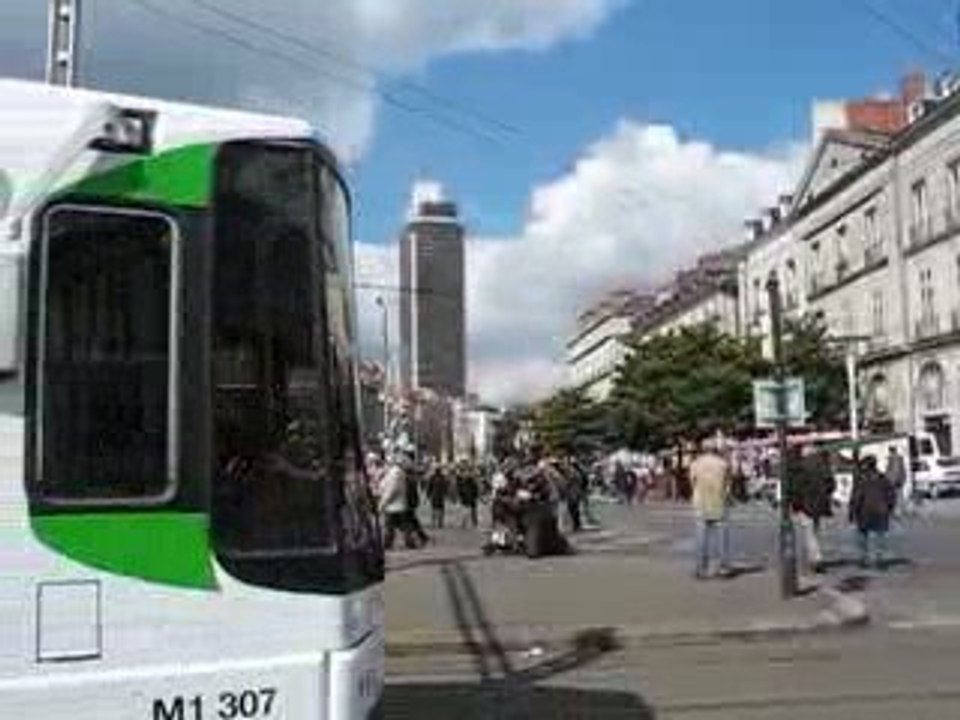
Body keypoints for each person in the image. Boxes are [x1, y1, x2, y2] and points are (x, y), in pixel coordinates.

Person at [689, 440, 732, 579]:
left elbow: (692, 482)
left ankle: (701, 569)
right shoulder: (723, 464)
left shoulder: (695, 463)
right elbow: (728, 483)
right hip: (718, 501)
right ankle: (723, 568)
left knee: (701, 538)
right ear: (715, 449)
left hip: (700, 502)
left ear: (703, 449)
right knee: (721, 538)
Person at [789, 445, 834, 575]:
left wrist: (794, 503)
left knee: (809, 532)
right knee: (814, 530)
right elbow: (831, 484)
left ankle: (816, 559)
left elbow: (795, 487)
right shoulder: (823, 465)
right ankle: (813, 557)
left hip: (805, 503)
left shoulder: (801, 466)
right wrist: (825, 494)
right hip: (820, 503)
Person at [849, 455, 897, 570]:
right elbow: (891, 495)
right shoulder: (883, 478)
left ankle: (863, 559)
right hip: (880, 510)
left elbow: (856, 497)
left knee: (862, 536)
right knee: (879, 536)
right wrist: (890, 508)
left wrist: (852, 511)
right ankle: (879, 559)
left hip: (865, 511)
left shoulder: (861, 479)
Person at [379, 456, 415, 550]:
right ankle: (409, 542)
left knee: (391, 526)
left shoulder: (395, 473)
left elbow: (392, 489)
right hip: (397, 505)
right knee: (402, 526)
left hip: (394, 505)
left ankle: (388, 544)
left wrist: (383, 503)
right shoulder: (394, 472)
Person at [404, 459, 430, 547]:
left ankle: (411, 540)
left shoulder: (409, 481)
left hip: (408, 503)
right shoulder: (411, 480)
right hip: (410, 503)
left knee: (409, 522)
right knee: (413, 521)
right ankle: (422, 536)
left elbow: (411, 493)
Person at [885, 445, 908, 515]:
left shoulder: (893, 459)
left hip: (895, 480)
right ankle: (901, 509)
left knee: (895, 495)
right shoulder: (899, 458)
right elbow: (902, 470)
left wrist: (891, 480)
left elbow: (894, 470)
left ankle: (897, 511)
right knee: (900, 494)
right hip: (900, 479)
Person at [426, 461, 448, 529]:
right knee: (439, 509)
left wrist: (428, 495)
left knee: (435, 509)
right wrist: (445, 493)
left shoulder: (433, 477)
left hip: (435, 495)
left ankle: (436, 522)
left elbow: (429, 487)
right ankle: (439, 522)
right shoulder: (442, 477)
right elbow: (445, 487)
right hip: (438, 495)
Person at [456, 462, 480, 528]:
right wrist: (476, 496)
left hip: (466, 497)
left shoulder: (463, 480)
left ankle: (465, 523)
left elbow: (460, 489)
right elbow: (476, 488)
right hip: (471, 497)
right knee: (472, 510)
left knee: (466, 510)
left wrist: (460, 495)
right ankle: (474, 523)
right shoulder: (470, 480)